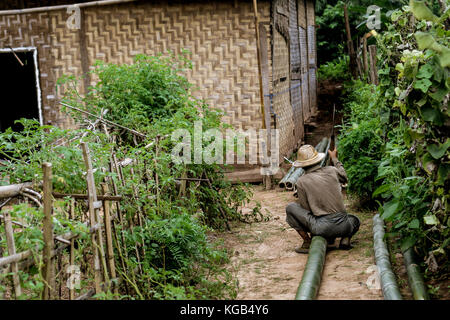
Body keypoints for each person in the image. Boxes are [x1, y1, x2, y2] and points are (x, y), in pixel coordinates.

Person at [285, 144, 360, 254]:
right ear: (318, 160)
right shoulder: (332, 170)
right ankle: (345, 239)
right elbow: (344, 177)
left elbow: (307, 210)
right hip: (345, 225)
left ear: (301, 166)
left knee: (291, 207)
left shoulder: (301, 181)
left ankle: (307, 242)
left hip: (321, 228)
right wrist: (334, 158)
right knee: (355, 220)